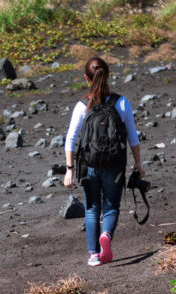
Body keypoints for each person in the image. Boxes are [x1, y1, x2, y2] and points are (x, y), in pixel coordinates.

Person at [63, 56, 143, 266]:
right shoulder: (121, 102)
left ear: (86, 78)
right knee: (111, 207)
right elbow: (133, 137)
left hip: (90, 164)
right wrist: (138, 164)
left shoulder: (82, 106)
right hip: (114, 164)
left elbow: (71, 139)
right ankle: (106, 235)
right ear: (107, 76)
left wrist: (69, 169)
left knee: (91, 209)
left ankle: (93, 255)